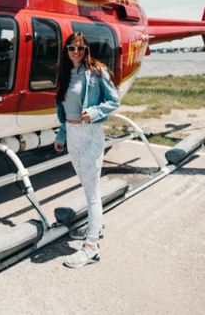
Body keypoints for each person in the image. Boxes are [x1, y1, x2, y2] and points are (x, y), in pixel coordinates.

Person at [53, 32, 120, 268]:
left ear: (86, 49)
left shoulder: (96, 71)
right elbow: (66, 113)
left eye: (80, 48)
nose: (76, 51)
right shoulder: (65, 75)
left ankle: (91, 247)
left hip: (90, 134)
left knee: (92, 193)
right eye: (71, 47)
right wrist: (61, 136)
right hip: (72, 135)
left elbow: (114, 100)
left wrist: (93, 113)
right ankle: (95, 227)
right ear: (67, 50)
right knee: (87, 186)